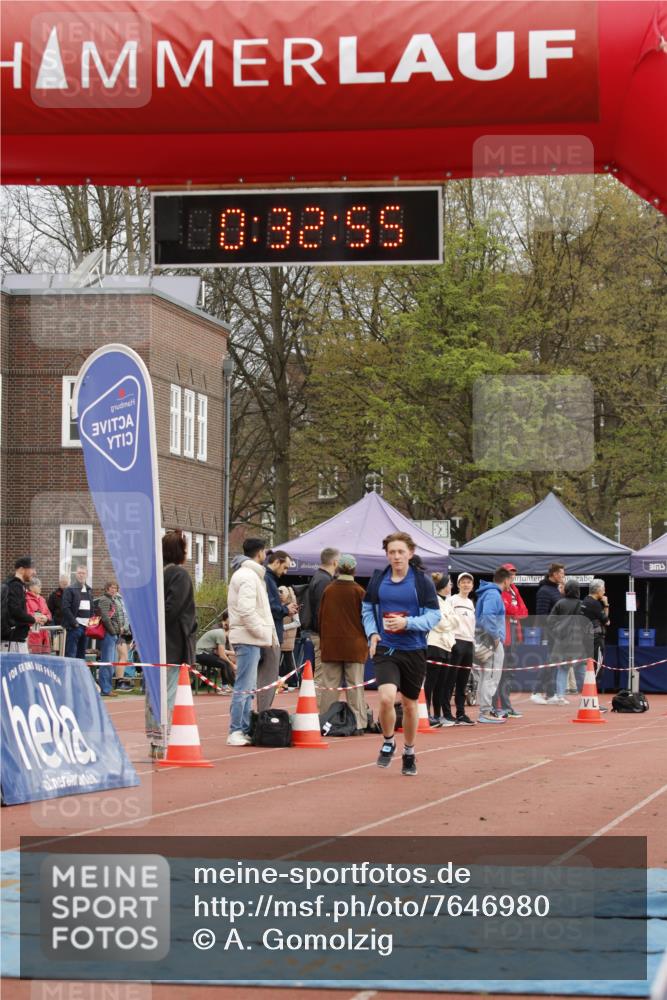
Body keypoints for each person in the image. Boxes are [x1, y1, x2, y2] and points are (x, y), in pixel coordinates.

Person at [362, 531, 441, 776]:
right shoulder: (378, 580)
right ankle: (388, 741)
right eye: (392, 552)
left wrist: (409, 624)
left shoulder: (421, 581)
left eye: (400, 552)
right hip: (386, 648)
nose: (396, 557)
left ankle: (409, 751)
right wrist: (372, 633)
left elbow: (434, 616)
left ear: (410, 553)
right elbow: (366, 609)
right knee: (386, 698)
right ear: (386, 555)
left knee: (409, 705)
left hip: (414, 649)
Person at [146, 530, 197, 757]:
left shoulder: (156, 574)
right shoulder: (179, 575)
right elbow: (172, 609)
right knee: (168, 692)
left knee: (154, 692)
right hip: (173, 643)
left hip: (155, 643)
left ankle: (155, 739)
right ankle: (162, 740)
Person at [227, 537, 277, 746]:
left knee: (247, 687)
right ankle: (236, 729)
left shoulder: (249, 575)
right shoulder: (248, 576)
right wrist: (261, 632)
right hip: (248, 638)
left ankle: (242, 728)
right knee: (244, 686)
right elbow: (246, 610)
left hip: (250, 637)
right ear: (261, 553)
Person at [317, 553, 369, 734]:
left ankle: (324, 720)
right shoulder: (359, 591)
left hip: (331, 644)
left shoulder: (329, 590)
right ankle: (359, 723)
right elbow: (366, 620)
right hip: (355, 645)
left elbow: (321, 617)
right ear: (354, 569)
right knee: (355, 685)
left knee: (330, 685)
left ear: (338, 568)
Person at [261, 551, 298, 712]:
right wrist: (285, 609)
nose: (285, 572)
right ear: (276, 562)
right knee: (268, 678)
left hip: (268, 632)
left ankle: (262, 712)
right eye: (285, 567)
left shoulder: (267, 579)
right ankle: (264, 713)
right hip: (270, 634)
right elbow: (270, 607)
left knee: (264, 678)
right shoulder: (268, 579)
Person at [474, 567, 511, 724]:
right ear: (506, 580)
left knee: (486, 676)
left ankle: (486, 709)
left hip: (486, 639)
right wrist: (496, 637)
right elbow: (488, 617)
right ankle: (485, 711)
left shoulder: (489, 593)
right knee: (491, 676)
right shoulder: (493, 594)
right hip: (491, 641)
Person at [493, 563, 528, 719]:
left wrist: (515, 611)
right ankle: (498, 706)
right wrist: (514, 611)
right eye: (509, 573)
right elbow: (508, 610)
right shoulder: (498, 591)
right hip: (503, 635)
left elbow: (524, 611)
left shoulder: (515, 590)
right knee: (500, 672)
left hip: (514, 634)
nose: (512, 576)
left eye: (514, 573)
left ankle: (506, 706)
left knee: (509, 673)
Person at [549, 580, 593, 702]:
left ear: (566, 590)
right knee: (582, 670)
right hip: (578, 642)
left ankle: (560, 696)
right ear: (578, 591)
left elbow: (550, 622)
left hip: (562, 643)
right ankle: (589, 695)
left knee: (562, 670)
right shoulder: (582, 604)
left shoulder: (560, 603)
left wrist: (557, 633)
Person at [442, 572, 476, 726]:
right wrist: (451, 640)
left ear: (472, 585)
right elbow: (447, 620)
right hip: (456, 642)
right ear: (458, 584)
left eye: (469, 582)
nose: (466, 584)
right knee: (450, 679)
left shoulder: (470, 603)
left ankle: (461, 713)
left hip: (469, 643)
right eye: (463, 582)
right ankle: (447, 714)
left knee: (463, 681)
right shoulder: (451, 600)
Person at [302, 547, 339, 686]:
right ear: (335, 562)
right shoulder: (324, 580)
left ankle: (320, 704)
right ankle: (319, 705)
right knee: (321, 672)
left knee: (323, 672)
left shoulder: (319, 578)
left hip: (320, 632)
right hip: (322, 634)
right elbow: (322, 610)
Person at [425, 574, 458, 727]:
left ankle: (438, 715)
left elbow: (455, 621)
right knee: (431, 682)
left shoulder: (449, 602)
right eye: (450, 584)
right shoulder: (433, 600)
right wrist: (450, 622)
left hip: (447, 645)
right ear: (444, 586)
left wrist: (449, 621)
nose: (451, 587)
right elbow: (439, 623)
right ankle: (426, 713)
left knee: (442, 683)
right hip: (434, 644)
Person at [531, 562, 566, 704]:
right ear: (555, 574)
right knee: (549, 662)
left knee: (554, 664)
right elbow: (541, 615)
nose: (563, 577)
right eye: (562, 574)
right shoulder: (544, 591)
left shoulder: (556, 590)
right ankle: (536, 692)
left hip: (558, 634)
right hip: (550, 634)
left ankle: (551, 695)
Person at [3, 557, 46, 652]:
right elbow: (15, 611)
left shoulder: (15, 584)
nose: (35, 572)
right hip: (13, 641)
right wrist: (34, 619)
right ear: (22, 569)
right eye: (32, 569)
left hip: (15, 639)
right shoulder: (15, 586)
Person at [61, 563, 94, 659]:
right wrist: (74, 623)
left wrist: (92, 624)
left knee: (81, 655)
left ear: (87, 575)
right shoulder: (69, 589)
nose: (81, 575)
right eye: (79, 573)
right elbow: (65, 608)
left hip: (86, 627)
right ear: (76, 574)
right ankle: (70, 674)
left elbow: (92, 608)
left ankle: (78, 674)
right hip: (75, 627)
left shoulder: (89, 590)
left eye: (83, 573)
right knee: (71, 655)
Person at [96, 581, 121, 697]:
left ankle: (108, 687)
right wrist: (112, 631)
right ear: (106, 588)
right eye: (111, 587)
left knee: (111, 663)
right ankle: (105, 689)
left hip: (113, 634)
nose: (114, 589)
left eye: (115, 588)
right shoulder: (104, 600)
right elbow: (105, 618)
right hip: (108, 634)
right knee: (107, 662)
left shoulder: (112, 600)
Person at [196, 622, 237, 689]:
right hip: (200, 654)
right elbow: (222, 655)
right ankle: (233, 686)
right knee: (225, 663)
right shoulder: (221, 635)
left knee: (226, 662)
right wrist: (233, 665)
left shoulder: (220, 633)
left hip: (205, 653)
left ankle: (227, 685)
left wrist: (235, 654)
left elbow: (218, 651)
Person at [581, 579, 610, 668]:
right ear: (598, 590)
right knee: (597, 666)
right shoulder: (595, 604)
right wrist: (606, 604)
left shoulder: (584, 600)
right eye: (603, 589)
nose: (604, 592)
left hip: (584, 638)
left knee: (587, 666)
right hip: (595, 639)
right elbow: (607, 622)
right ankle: (596, 681)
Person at [25, 578, 52, 655]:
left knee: (44, 660)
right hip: (32, 633)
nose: (41, 587)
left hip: (44, 633)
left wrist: (46, 618)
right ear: (31, 587)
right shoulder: (26, 599)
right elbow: (26, 614)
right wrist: (37, 618)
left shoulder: (42, 599)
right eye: (38, 585)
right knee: (33, 659)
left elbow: (49, 614)